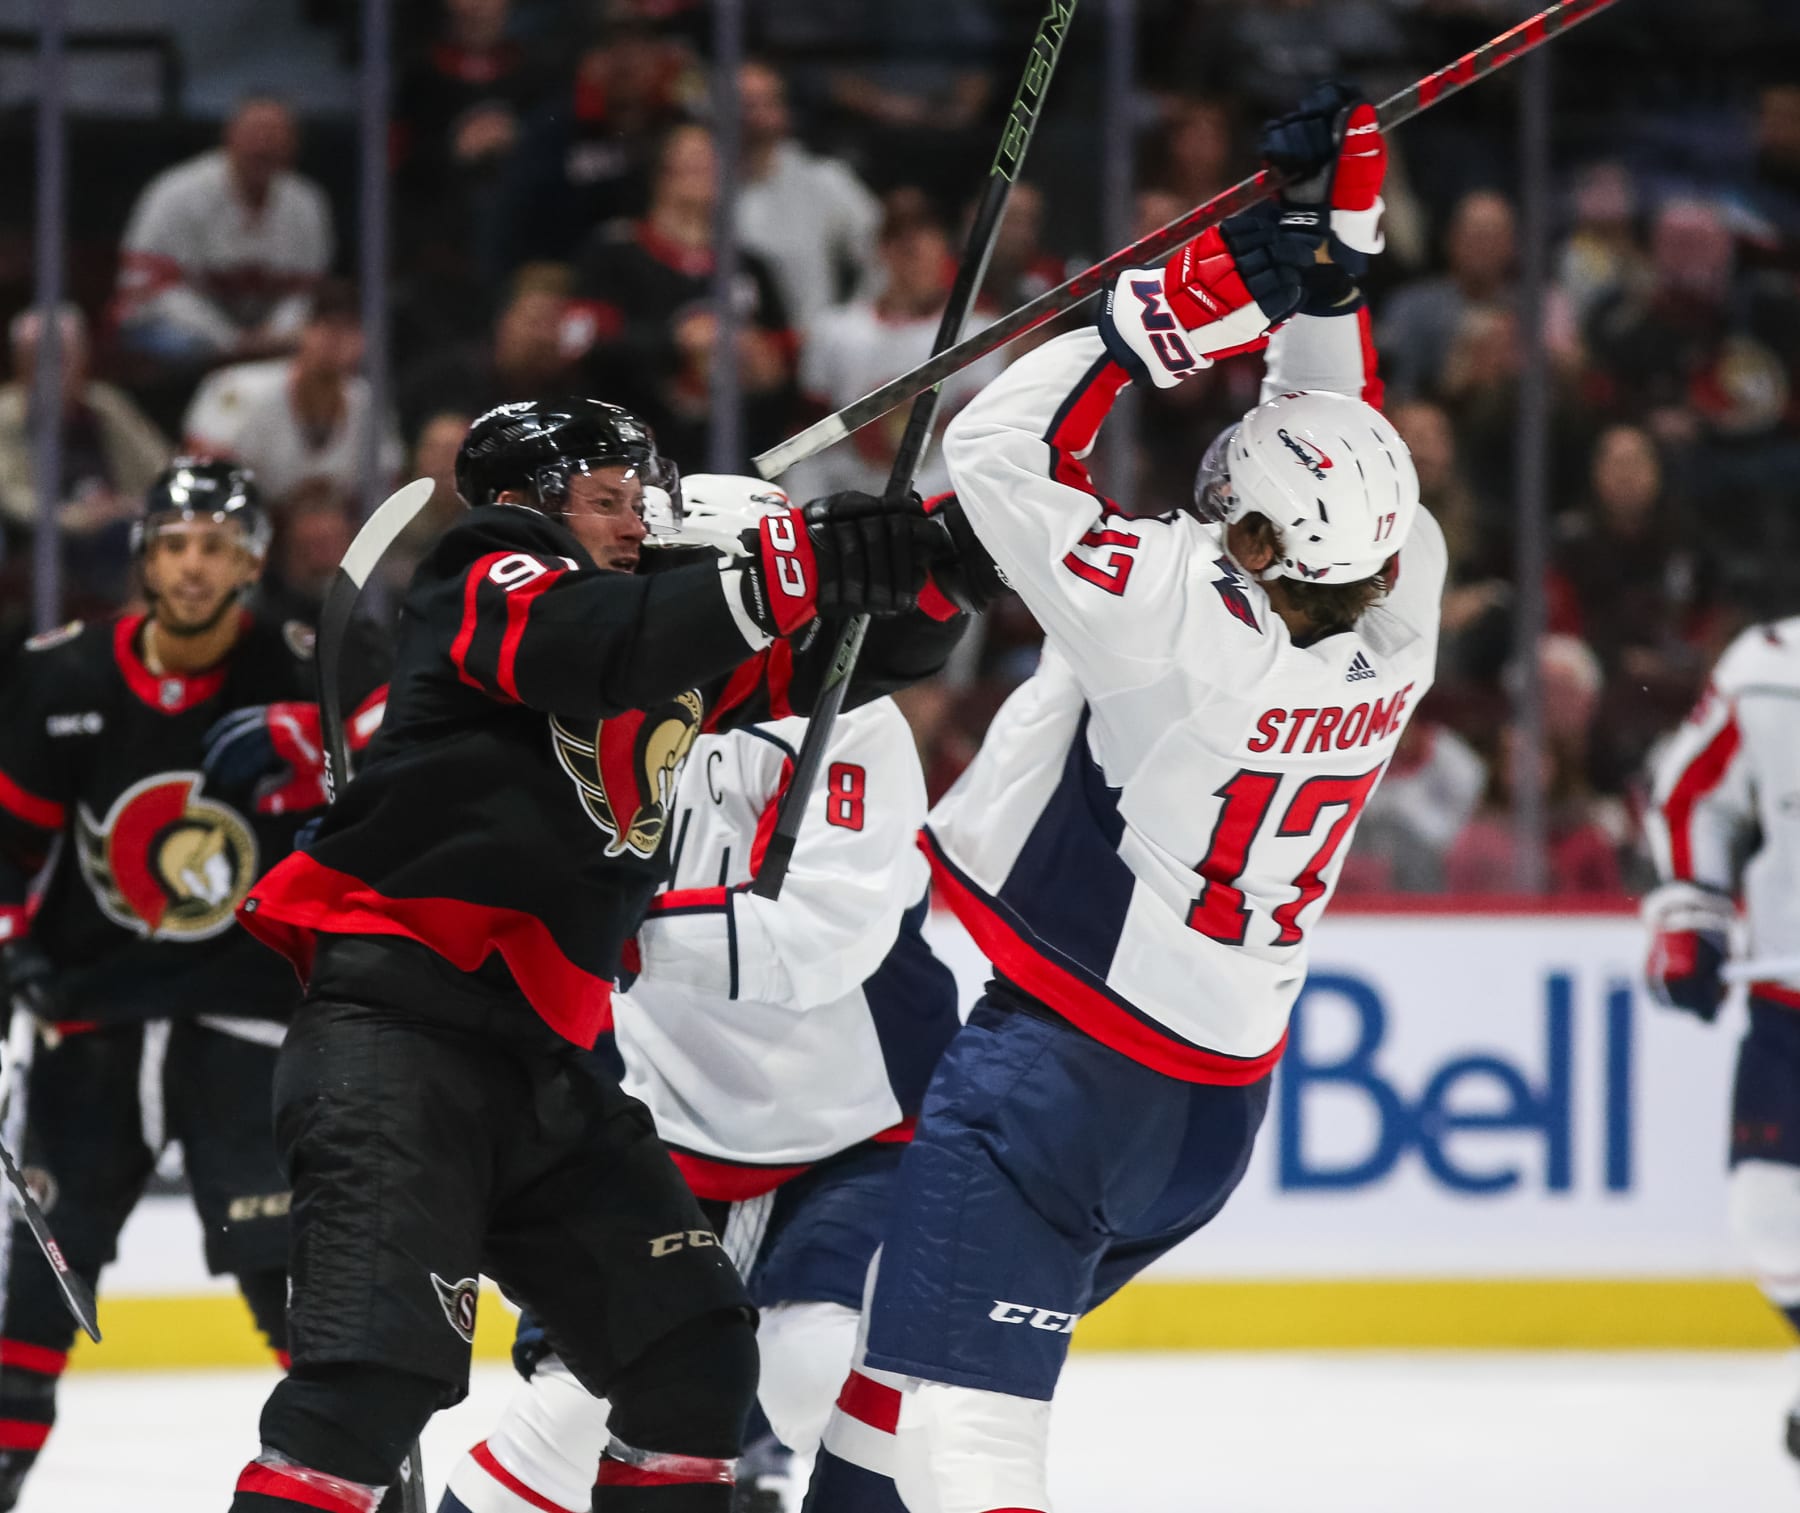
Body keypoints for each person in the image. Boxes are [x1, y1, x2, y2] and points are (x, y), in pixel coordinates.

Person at [805, 83, 1444, 1511]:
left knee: (968, 1433)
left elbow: (991, 456)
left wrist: (1162, 311)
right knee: (893, 1373)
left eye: (1229, 498)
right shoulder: (1405, 619)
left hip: (1066, 1079)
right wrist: (1326, 252)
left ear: (1261, 535)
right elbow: (1334, 427)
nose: (1205, 504)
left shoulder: (1174, 618)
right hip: (1210, 1103)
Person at [224, 402, 970, 1512]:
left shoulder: (664, 648)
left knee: (696, 1357)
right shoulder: (485, 566)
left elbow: (855, 660)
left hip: (543, 1064)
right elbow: (589, 647)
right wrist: (780, 571)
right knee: (366, 1390)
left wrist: (920, 565)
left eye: (641, 503)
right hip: (401, 1037)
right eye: (609, 500)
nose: (634, 523)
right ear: (528, 504)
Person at [438, 480, 966, 1513]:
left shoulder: (851, 718)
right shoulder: (602, 702)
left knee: (821, 1367)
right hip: (659, 1129)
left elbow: (825, 936)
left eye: (678, 577)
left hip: (852, 1130)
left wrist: (616, 931)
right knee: (574, 1406)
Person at [0, 459, 387, 1512]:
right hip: (92, 1024)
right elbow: (11, 846)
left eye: (214, 544)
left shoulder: (309, 668)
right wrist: (9, 946)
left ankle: (353, 1474)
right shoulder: (65, 675)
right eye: (172, 543)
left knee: (293, 1289)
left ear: (251, 559)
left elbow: (389, 801)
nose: (191, 564)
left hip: (248, 1023)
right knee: (34, 1295)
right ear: (144, 559)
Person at [1642, 615, 1800, 1463]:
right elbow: (1692, 798)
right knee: (1772, 1216)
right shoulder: (1769, 670)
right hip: (1790, 1001)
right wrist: (1692, 913)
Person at [115, 96, 334, 368]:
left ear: (294, 145)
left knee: (335, 343)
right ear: (230, 136)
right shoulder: (176, 192)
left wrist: (274, 334)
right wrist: (230, 339)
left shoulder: (306, 203)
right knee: (189, 348)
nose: (265, 144)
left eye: (276, 135)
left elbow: (306, 293)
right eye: (256, 133)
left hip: (259, 332)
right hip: (169, 324)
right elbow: (155, 290)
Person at [0, 304, 172, 611]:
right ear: (18, 363)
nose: (50, 368)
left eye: (62, 356)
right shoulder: (5, 415)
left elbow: (163, 470)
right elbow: (12, 498)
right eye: (37, 357)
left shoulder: (105, 405)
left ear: (84, 359)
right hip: (48, 545)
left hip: (123, 530)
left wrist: (134, 506)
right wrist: (82, 517)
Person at [182, 279, 404, 504]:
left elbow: (387, 482)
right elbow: (203, 475)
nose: (337, 340)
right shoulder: (240, 387)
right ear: (304, 329)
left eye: (351, 329)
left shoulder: (367, 403)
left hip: (335, 530)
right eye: (327, 325)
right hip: (243, 522)